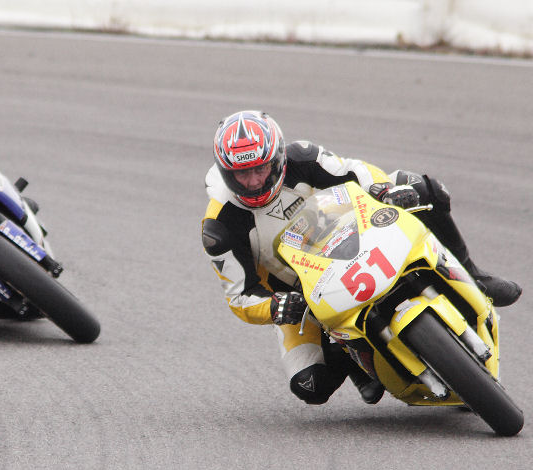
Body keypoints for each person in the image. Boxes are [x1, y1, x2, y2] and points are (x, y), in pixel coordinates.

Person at [201, 110, 522, 406]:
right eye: (242, 174)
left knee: (424, 189)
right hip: (302, 294)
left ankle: (472, 274)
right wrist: (277, 305)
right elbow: (239, 296)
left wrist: (382, 189)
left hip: (359, 235)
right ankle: (359, 360)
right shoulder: (220, 226)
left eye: (260, 168)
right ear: (226, 173)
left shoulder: (303, 157)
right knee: (310, 385)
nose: (255, 181)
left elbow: (353, 171)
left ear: (278, 158)